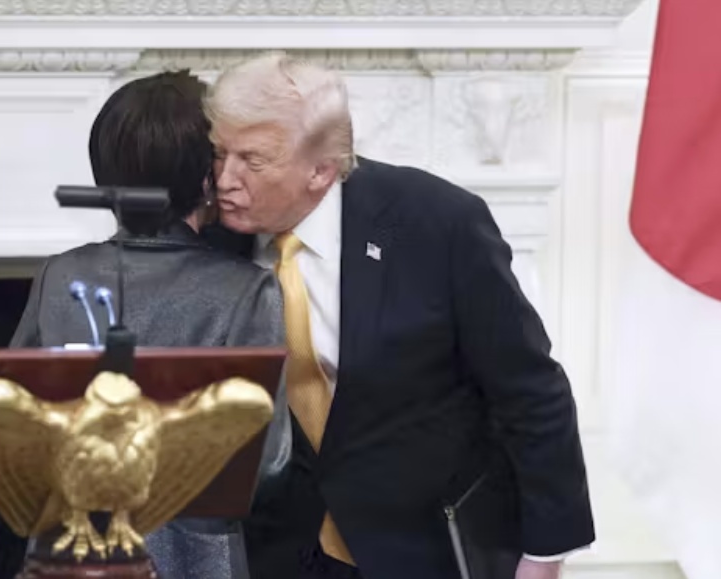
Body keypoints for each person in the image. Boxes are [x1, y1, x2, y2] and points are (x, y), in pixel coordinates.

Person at [201, 52, 595, 579]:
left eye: (252, 161)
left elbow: (529, 389)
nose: (225, 178)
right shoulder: (206, 239)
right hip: (277, 553)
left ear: (321, 170)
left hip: (421, 546)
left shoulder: (437, 223)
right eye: (219, 153)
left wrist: (544, 554)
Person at [10, 69, 290, 579]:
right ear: (205, 178)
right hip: (195, 562)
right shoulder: (248, 292)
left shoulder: (59, 276)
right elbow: (265, 464)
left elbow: (15, 434)